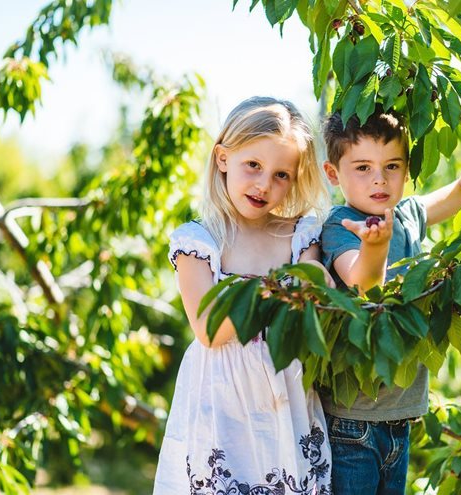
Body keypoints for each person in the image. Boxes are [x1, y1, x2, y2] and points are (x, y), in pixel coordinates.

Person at [319, 107, 461, 494]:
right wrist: (375, 247)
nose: (380, 179)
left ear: (407, 170)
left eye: (392, 166)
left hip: (400, 417)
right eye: (362, 168)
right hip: (351, 422)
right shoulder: (339, 225)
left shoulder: (407, 214)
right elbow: (363, 283)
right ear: (333, 174)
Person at [153, 97, 333, 495]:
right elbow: (209, 328)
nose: (264, 184)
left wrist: (312, 280)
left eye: (281, 174)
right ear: (222, 158)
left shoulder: (299, 233)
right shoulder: (199, 241)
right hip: (222, 415)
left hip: (284, 408)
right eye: (253, 165)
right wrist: (282, 288)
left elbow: (317, 292)